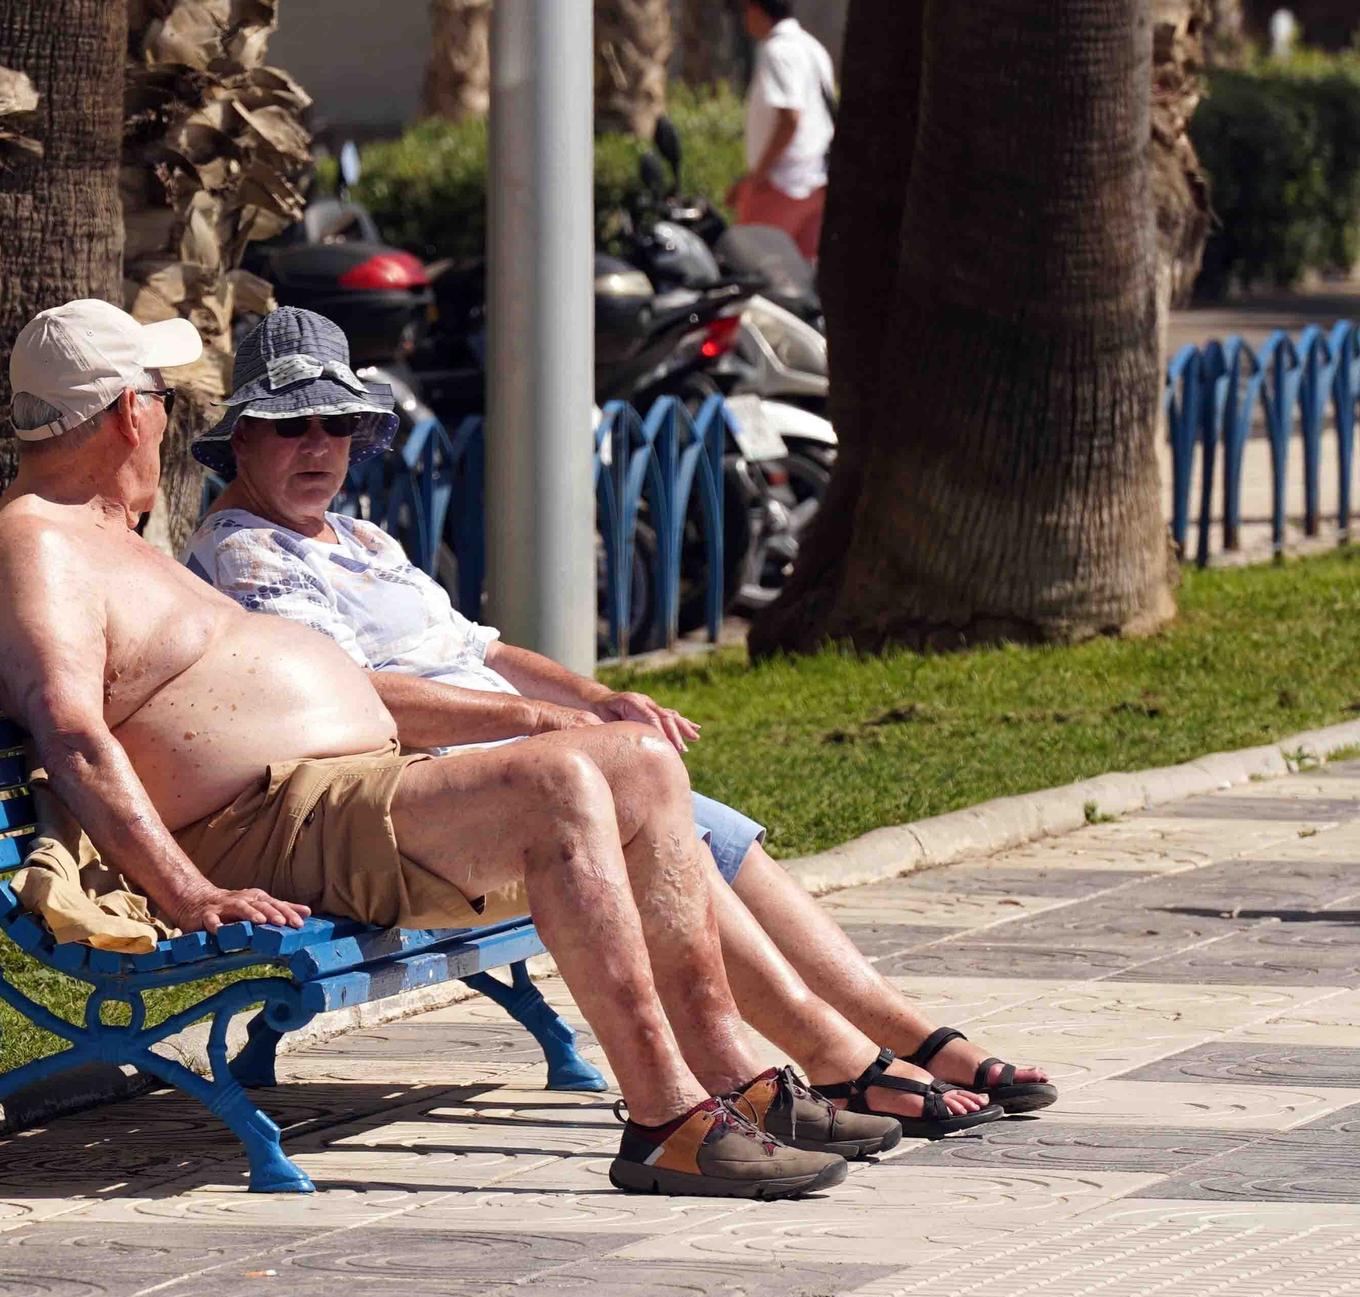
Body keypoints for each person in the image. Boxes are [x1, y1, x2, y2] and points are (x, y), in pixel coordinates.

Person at [0, 298, 923, 1203]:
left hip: (341, 795)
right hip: (272, 818)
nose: (169, 421)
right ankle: (666, 1115)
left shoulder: (111, 536)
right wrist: (188, 894)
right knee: (557, 779)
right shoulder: (39, 546)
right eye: (163, 401)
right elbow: (72, 732)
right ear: (130, 413)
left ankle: (736, 1075)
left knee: (636, 760)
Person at [185, 308, 1057, 1134]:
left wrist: (591, 701)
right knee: (678, 823)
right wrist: (538, 719)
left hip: (510, 763)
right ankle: (849, 1051)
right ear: (244, 440)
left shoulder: (361, 539)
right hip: (434, 786)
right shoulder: (246, 550)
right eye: (293, 424)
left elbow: (478, 645)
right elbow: (359, 692)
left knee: (704, 829)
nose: (320, 445)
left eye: (337, 424)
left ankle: (876, 1040)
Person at [727, 0, 837, 262]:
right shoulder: (813, 47)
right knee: (801, 278)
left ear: (756, 10)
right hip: (816, 182)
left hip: (782, 184)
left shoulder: (778, 50)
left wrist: (757, 178)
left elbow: (790, 118)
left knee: (753, 269)